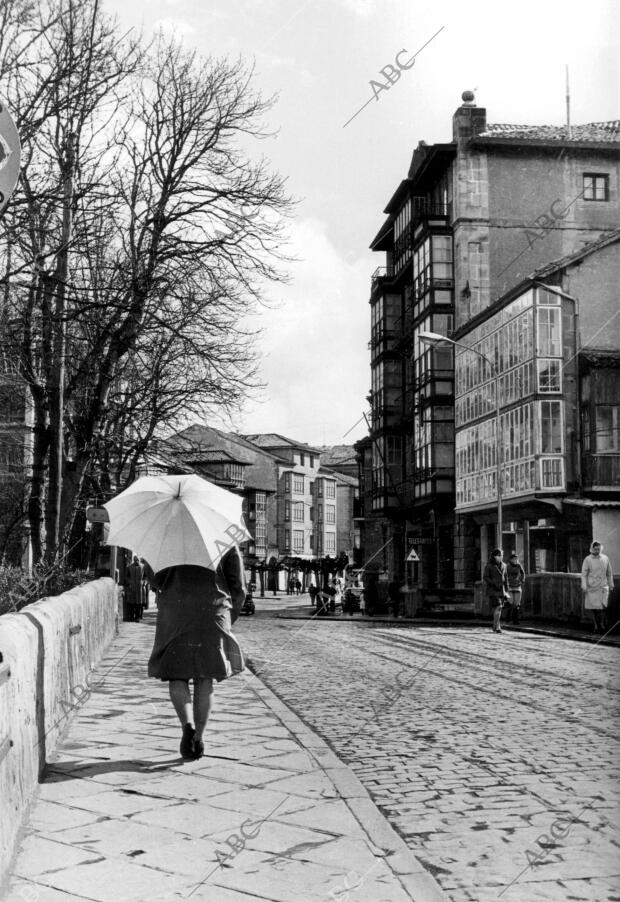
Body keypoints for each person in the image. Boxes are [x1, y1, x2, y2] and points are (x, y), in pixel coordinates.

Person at [144, 545, 245, 761]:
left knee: (177, 675)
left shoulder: (167, 536)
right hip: (212, 610)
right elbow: (239, 588)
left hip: (176, 612)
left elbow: (154, 580)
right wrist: (227, 618)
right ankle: (198, 738)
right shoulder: (224, 536)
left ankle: (187, 725)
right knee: (204, 678)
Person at [581, 540, 614, 633]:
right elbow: (584, 574)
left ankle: (602, 624)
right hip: (592, 586)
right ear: (592, 549)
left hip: (603, 586)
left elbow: (609, 573)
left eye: (599, 549)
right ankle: (596, 625)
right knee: (593, 608)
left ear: (601, 549)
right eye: (595, 549)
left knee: (603, 607)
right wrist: (584, 586)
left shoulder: (605, 558)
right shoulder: (587, 559)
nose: (597, 551)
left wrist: (611, 584)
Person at [483, 548, 509, 633]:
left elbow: (506, 577)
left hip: (502, 590)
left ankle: (496, 626)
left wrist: (507, 589)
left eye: (501, 555)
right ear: (494, 556)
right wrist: (493, 583)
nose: (501, 557)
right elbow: (485, 577)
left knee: (499, 608)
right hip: (493, 589)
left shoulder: (504, 565)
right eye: (499, 555)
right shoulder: (489, 565)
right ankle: (497, 626)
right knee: (499, 606)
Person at [506, 552, 525, 625]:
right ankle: (508, 618)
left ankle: (515, 621)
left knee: (516, 604)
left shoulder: (519, 565)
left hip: (517, 586)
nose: (515, 560)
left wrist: (522, 580)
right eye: (514, 559)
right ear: (510, 560)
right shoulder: (507, 566)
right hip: (509, 587)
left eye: (516, 559)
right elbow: (504, 575)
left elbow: (523, 573)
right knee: (511, 603)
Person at [124, 554, 144, 622]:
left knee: (139, 603)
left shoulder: (142, 567)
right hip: (132, 587)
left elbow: (146, 577)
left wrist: (144, 582)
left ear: (139, 560)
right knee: (132, 603)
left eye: (137, 560)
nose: (136, 561)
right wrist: (130, 582)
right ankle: (132, 617)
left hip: (140, 587)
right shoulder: (130, 567)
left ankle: (137, 617)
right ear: (133, 560)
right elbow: (126, 576)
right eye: (135, 560)